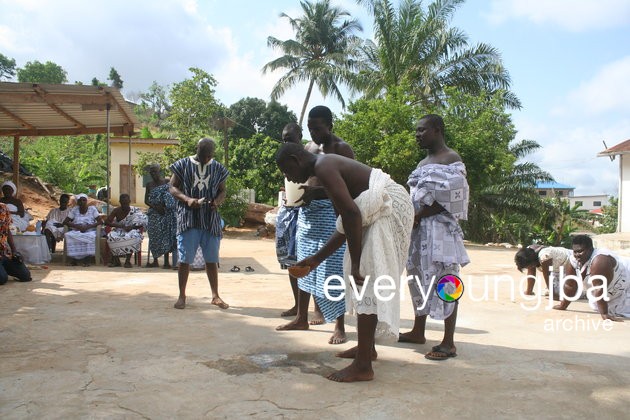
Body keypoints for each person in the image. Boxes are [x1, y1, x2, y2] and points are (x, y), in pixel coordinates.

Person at [277, 142, 414, 382]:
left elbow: (353, 215)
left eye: (287, 171)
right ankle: (367, 350)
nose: (289, 178)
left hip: (390, 206)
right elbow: (345, 223)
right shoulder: (323, 169)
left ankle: (363, 366)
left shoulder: (324, 165)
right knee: (364, 278)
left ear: (295, 159)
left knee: (366, 280)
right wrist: (316, 260)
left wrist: (356, 263)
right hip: (382, 207)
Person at [276, 106, 352, 345]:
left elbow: (347, 186)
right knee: (303, 264)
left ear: (330, 125)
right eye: (310, 128)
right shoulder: (308, 148)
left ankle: (339, 325)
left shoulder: (341, 149)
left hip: (331, 213)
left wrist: (317, 191)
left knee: (333, 269)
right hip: (307, 213)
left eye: (317, 128)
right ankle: (301, 317)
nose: (313, 132)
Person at [399, 114, 470, 361]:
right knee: (418, 277)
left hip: (441, 232)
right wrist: (414, 216)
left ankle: (449, 342)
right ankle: (418, 331)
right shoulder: (421, 164)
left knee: (447, 281)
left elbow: (454, 197)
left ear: (437, 130)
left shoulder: (452, 159)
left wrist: (422, 213)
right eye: (416, 131)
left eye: (422, 130)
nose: (417, 135)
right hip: (419, 232)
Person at [169, 138, 229, 310]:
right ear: (198, 150)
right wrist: (188, 199)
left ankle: (215, 295)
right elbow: (172, 187)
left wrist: (217, 201)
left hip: (210, 220)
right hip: (188, 219)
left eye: (209, 156)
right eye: (204, 155)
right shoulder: (182, 165)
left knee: (212, 259)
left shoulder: (217, 168)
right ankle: (182, 296)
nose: (206, 159)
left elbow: (222, 190)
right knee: (185, 258)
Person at [553, 234, 630, 319]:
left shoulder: (600, 260)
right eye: (575, 251)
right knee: (599, 305)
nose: (577, 255)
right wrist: (563, 305)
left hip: (627, 281)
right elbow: (570, 285)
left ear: (590, 249)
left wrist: (604, 314)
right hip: (613, 290)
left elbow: (599, 288)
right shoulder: (572, 261)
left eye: (580, 251)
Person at [275, 122, 304, 317]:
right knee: (290, 262)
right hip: (288, 212)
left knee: (307, 261)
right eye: (284, 139)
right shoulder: (285, 157)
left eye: (290, 139)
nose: (286, 142)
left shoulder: (309, 155)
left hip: (304, 213)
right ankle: (298, 305)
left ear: (300, 137)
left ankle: (316, 309)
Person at [145, 164, 177, 269]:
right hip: (154, 214)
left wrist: (163, 207)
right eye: (151, 172)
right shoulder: (149, 185)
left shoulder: (167, 182)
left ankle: (167, 262)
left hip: (165, 213)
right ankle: (155, 261)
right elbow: (146, 200)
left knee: (165, 236)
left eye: (155, 172)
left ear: (160, 172)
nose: (153, 174)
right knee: (154, 236)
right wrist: (155, 207)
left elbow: (171, 196)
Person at [105, 193, 147, 268]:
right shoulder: (116, 210)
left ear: (129, 202)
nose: (125, 205)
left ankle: (127, 261)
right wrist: (120, 225)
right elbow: (107, 222)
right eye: (123, 203)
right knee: (111, 236)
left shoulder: (135, 210)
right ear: (120, 202)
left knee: (132, 236)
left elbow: (142, 223)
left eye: (126, 203)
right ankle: (116, 260)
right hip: (119, 230)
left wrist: (132, 227)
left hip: (132, 230)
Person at [62, 193, 102, 267]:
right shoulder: (74, 210)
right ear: (78, 202)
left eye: (84, 200)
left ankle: (87, 260)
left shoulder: (92, 209)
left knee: (90, 236)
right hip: (77, 230)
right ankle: (74, 260)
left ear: (86, 201)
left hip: (89, 230)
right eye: (80, 200)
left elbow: (100, 221)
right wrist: (77, 226)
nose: (82, 202)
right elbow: (65, 222)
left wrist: (88, 226)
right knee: (69, 235)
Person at [0, 203, 31, 285]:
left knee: (25, 276)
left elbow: (7, 230)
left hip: (3, 254)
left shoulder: (3, 208)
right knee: (2, 279)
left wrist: (14, 251)